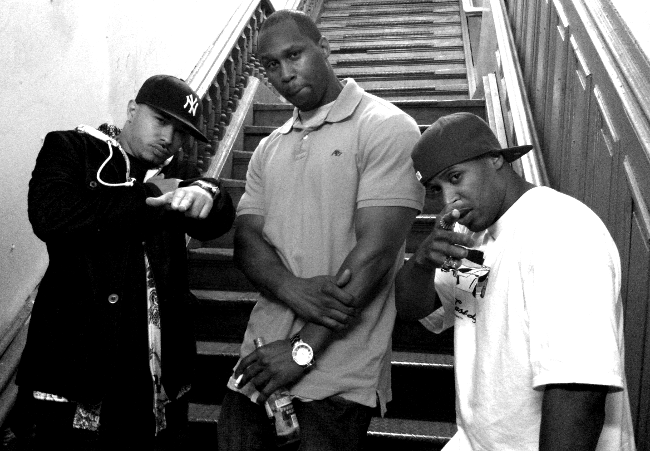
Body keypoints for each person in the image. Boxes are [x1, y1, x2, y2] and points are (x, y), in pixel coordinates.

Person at [217, 9, 425, 451]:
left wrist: (302, 350)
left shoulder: (386, 126)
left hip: (336, 380)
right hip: (255, 365)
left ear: (324, 48)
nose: (285, 73)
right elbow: (247, 241)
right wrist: (290, 288)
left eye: (294, 55)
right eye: (271, 64)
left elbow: (375, 254)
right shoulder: (268, 147)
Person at [16, 74, 235, 450]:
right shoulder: (71, 147)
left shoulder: (175, 176)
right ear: (132, 110)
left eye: (181, 132)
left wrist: (209, 192)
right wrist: (152, 195)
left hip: (155, 376)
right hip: (76, 367)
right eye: (161, 121)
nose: (169, 138)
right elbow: (50, 215)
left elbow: (216, 218)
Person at [395, 112, 636, 450]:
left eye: (456, 177)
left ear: (496, 159)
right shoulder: (473, 240)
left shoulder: (561, 231)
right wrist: (421, 262)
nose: (449, 201)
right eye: (436, 189)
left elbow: (578, 391)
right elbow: (413, 309)